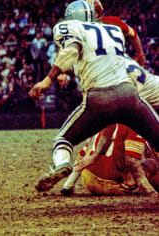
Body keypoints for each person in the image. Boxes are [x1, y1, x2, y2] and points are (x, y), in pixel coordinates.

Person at [28, 0, 159, 193]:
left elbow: (71, 49)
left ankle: (62, 164)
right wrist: (140, 56)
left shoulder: (70, 27)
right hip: (130, 94)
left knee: (62, 140)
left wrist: (48, 79)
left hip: (99, 98)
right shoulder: (113, 30)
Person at [60, 124, 157, 196]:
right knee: (151, 164)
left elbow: (82, 155)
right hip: (109, 185)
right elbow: (130, 161)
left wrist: (68, 185)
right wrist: (148, 189)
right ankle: (129, 185)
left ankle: (68, 185)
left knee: (90, 151)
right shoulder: (136, 123)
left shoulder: (103, 119)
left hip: (87, 176)